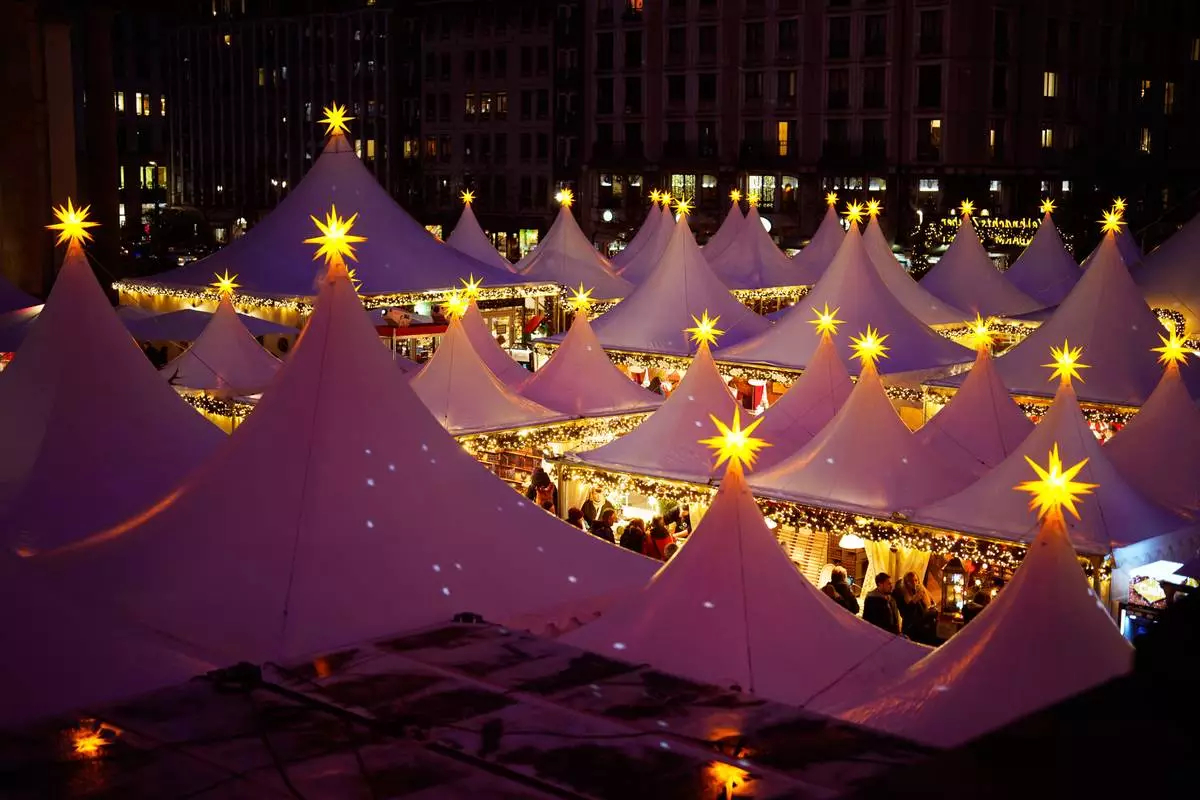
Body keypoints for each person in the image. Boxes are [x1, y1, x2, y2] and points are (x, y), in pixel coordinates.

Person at [892, 571, 933, 641]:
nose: (914, 583)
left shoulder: (920, 591)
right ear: (906, 583)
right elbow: (905, 614)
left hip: (922, 629)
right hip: (910, 630)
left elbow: (925, 610)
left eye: (916, 580)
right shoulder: (901, 595)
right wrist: (914, 601)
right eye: (910, 581)